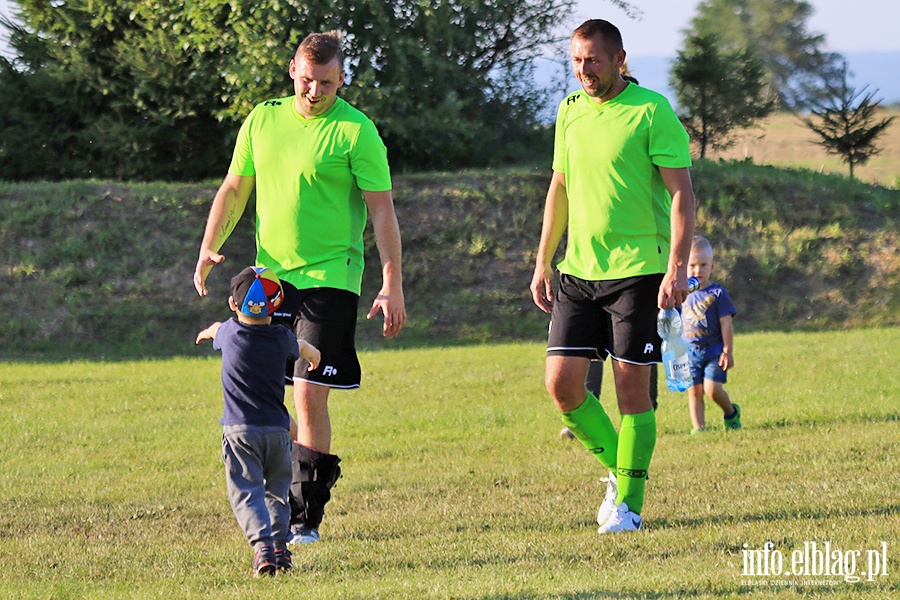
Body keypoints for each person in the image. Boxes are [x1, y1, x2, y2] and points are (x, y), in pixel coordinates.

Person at [193, 31, 405, 545]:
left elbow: (381, 210)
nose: (314, 91)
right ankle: (287, 495)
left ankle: (305, 517)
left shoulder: (357, 132)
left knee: (308, 394)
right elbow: (235, 187)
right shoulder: (262, 119)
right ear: (292, 69)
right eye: (307, 80)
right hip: (272, 280)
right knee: (268, 398)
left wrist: (391, 281)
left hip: (332, 277)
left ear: (341, 79)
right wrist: (208, 246)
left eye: (326, 83)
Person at [530, 19, 695, 534]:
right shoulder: (570, 111)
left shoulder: (652, 111)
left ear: (619, 59)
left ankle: (628, 506)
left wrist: (677, 266)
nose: (584, 71)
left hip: (639, 272)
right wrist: (542, 261)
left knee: (631, 395)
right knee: (562, 388)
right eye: (577, 61)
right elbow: (559, 188)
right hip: (577, 271)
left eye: (594, 61)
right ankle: (618, 470)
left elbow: (682, 195)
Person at [196, 266, 321, 576]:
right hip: (278, 433)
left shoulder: (228, 332)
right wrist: (314, 355)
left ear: (232, 304)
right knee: (278, 491)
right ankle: (281, 547)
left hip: (240, 432)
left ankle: (262, 546)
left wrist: (207, 332)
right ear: (276, 305)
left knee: (247, 489)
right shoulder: (281, 338)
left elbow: (215, 328)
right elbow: (303, 348)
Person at [682, 235, 741, 433]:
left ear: (712, 266)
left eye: (703, 265)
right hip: (689, 353)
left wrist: (727, 350)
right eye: (692, 265)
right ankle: (699, 429)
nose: (697, 270)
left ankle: (731, 412)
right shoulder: (681, 293)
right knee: (694, 392)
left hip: (714, 351)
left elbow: (726, 323)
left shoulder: (718, 293)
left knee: (712, 389)